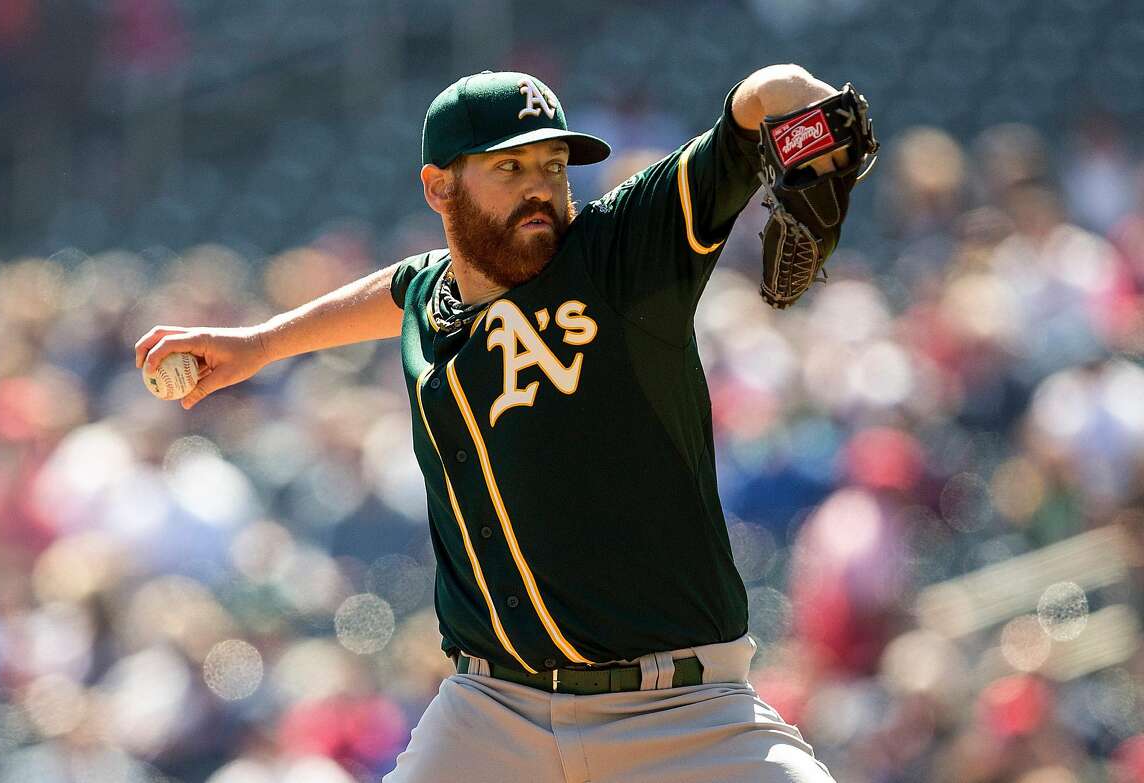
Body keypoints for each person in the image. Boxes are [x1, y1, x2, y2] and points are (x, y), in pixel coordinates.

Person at [136, 65, 854, 782]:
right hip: (491, 713)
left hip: (679, 712)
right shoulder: (433, 296)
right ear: (438, 186)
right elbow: (400, 288)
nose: (539, 184)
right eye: (509, 166)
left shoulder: (620, 252)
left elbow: (774, 94)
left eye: (551, 162)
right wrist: (261, 343)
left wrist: (820, 144)